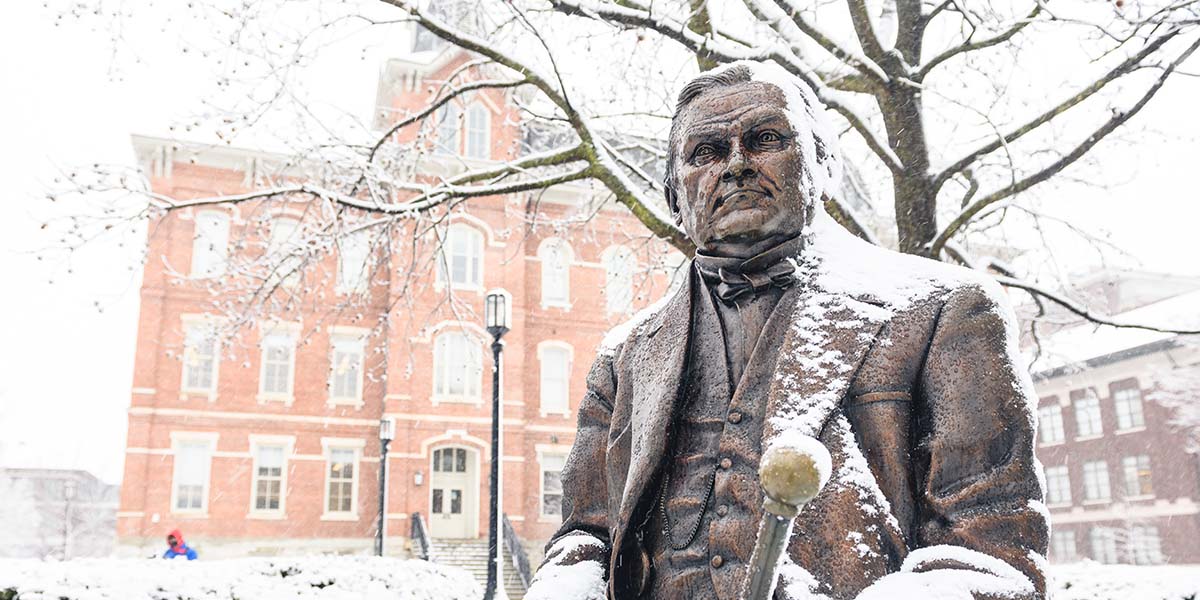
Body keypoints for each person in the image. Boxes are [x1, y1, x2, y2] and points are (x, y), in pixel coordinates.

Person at [526, 60, 1047, 600]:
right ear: (675, 198)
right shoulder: (624, 357)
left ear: (824, 166)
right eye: (705, 153)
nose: (735, 166)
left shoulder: (947, 312)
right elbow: (585, 539)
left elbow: (990, 550)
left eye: (765, 139)